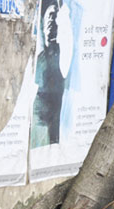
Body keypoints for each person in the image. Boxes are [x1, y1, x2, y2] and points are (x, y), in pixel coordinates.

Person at [31, 0, 65, 148]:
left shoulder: (59, 51)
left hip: (53, 102)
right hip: (40, 103)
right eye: (50, 18)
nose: (53, 24)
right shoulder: (41, 54)